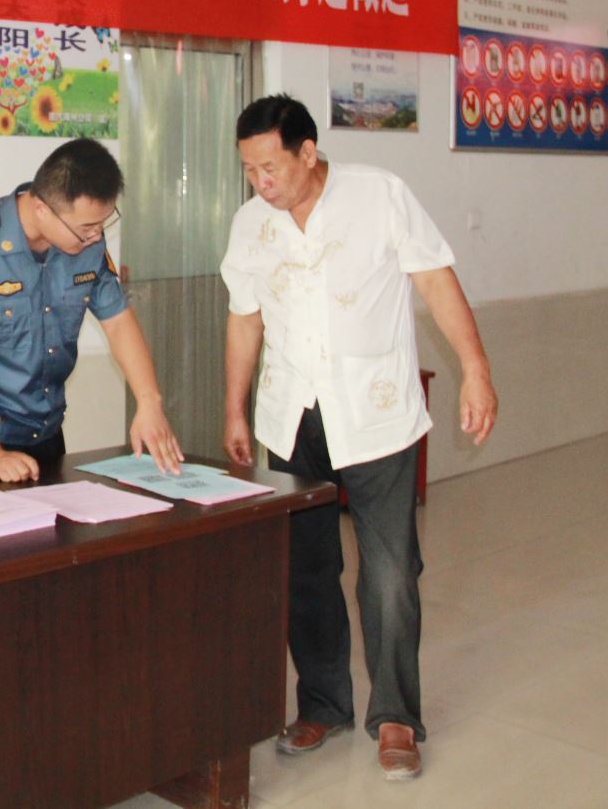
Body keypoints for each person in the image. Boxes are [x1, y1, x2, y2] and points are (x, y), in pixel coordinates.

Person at [219, 95, 497, 781]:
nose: (260, 182)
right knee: (306, 567)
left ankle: (396, 715)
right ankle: (323, 704)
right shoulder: (251, 223)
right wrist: (234, 409)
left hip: (375, 414)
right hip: (292, 416)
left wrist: (475, 369)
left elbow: (435, 281)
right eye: (249, 169)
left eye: (270, 167)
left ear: (308, 153)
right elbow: (245, 318)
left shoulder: (380, 196)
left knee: (391, 570)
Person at [0, 138, 183, 482]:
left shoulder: (87, 245)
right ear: (42, 208)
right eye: (86, 227)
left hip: (44, 429)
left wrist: (149, 402)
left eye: (103, 223)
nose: (96, 236)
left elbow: (118, 321)